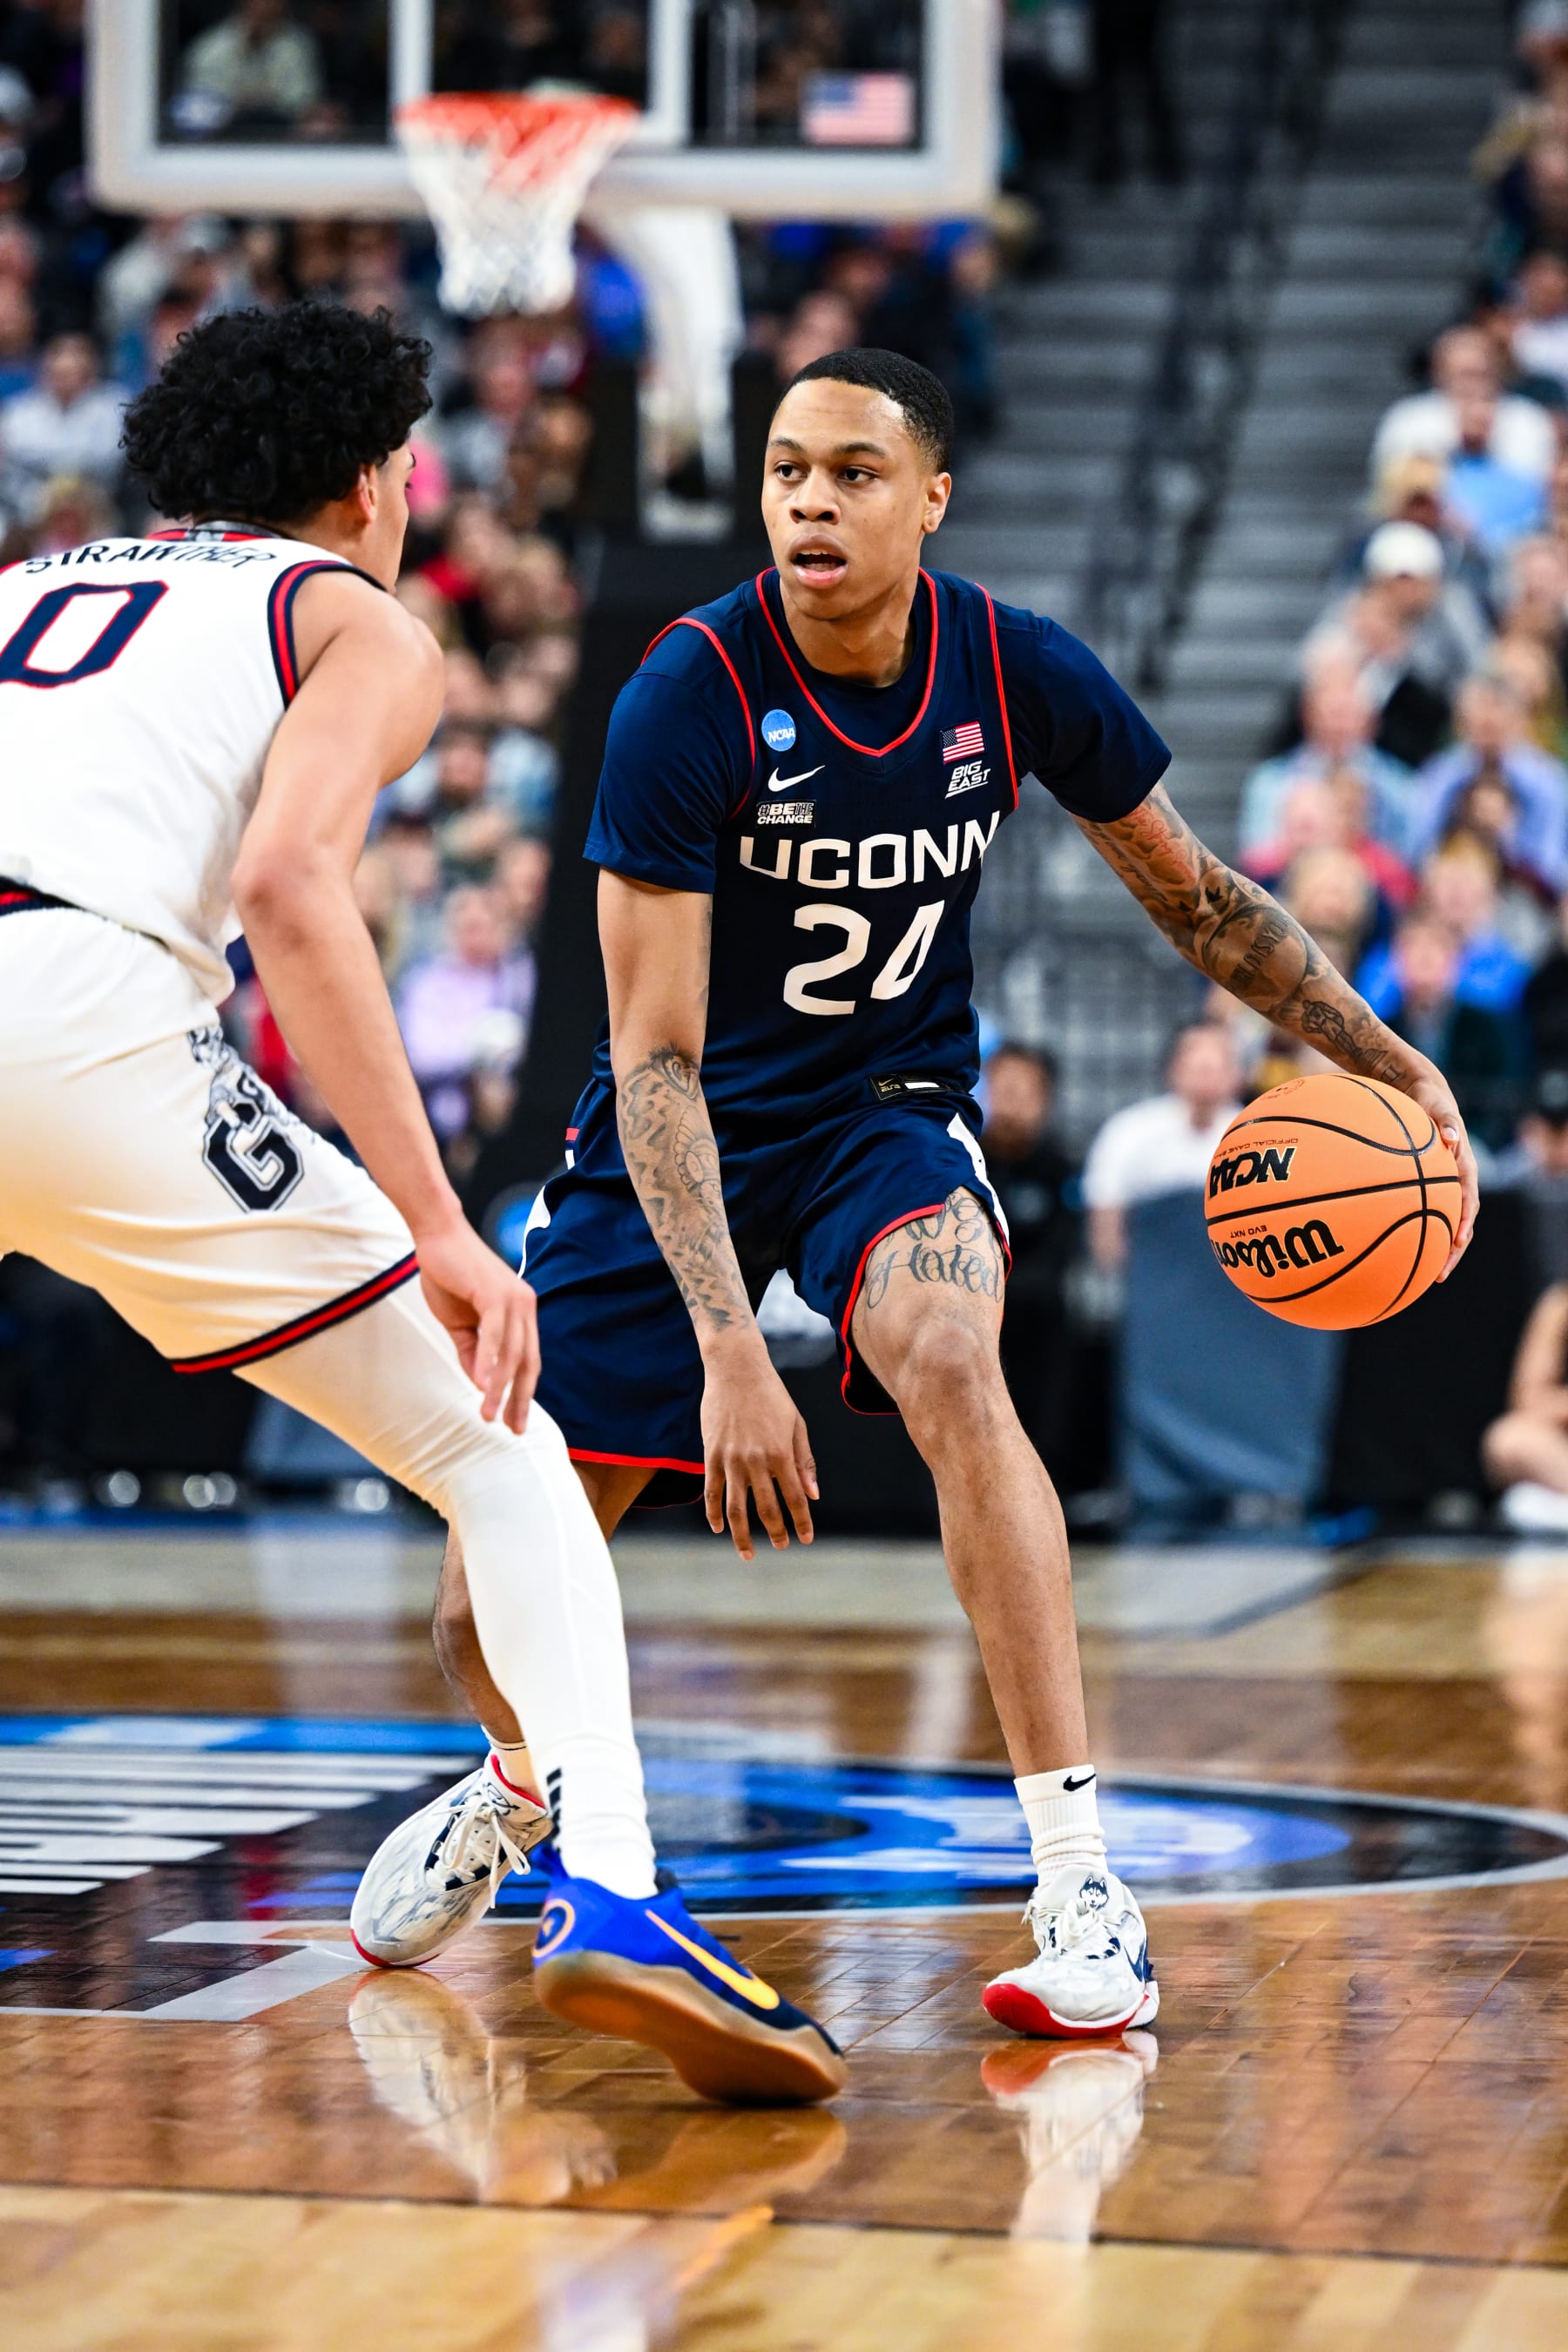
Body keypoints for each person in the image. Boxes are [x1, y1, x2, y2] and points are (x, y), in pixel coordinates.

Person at [357, 348, 1478, 2042]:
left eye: (854, 472)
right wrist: (738, 1356)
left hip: (888, 1114)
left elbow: (1203, 902)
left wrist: (1386, 1057)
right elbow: (655, 1063)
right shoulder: (689, 692)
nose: (810, 499)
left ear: (931, 497)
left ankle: (1081, 1877)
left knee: (955, 1357)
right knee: (479, 1602)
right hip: (683, 1134)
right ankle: (521, 1783)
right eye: (789, 470)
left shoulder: (1013, 669)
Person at [0, 301, 843, 2110]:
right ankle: (611, 1881)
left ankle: (532, 1812)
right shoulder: (350, 615)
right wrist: (444, 1223)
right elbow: (293, 883)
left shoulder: (31, 586)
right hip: (80, 1016)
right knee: (501, 1451)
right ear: (381, 483)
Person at [981, 1043, 1080, 1471]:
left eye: (1024, 1091)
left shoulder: (1061, 1170)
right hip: (972, 1322)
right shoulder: (964, 1165)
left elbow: (1061, 1255)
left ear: (1046, 1100)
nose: (1011, 1101)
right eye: (1002, 1088)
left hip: (1035, 1325)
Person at [1081, 1021, 1243, 1272]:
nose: (1207, 1063)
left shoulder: (1258, 1134)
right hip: (1154, 1277)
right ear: (1173, 1067)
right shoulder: (1128, 1131)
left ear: (1237, 1072)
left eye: (1220, 1055)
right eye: (1194, 1053)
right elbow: (1106, 1226)